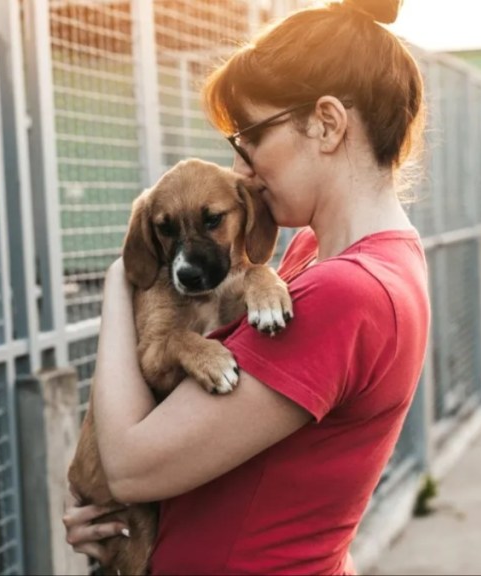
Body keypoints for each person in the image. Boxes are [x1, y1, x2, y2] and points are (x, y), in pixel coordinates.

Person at [63, 0, 430, 572]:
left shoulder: (344, 292)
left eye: (249, 138)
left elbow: (131, 467)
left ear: (327, 124)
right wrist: (122, 519)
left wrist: (121, 280)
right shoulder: (326, 257)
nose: (240, 169)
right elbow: (309, 492)